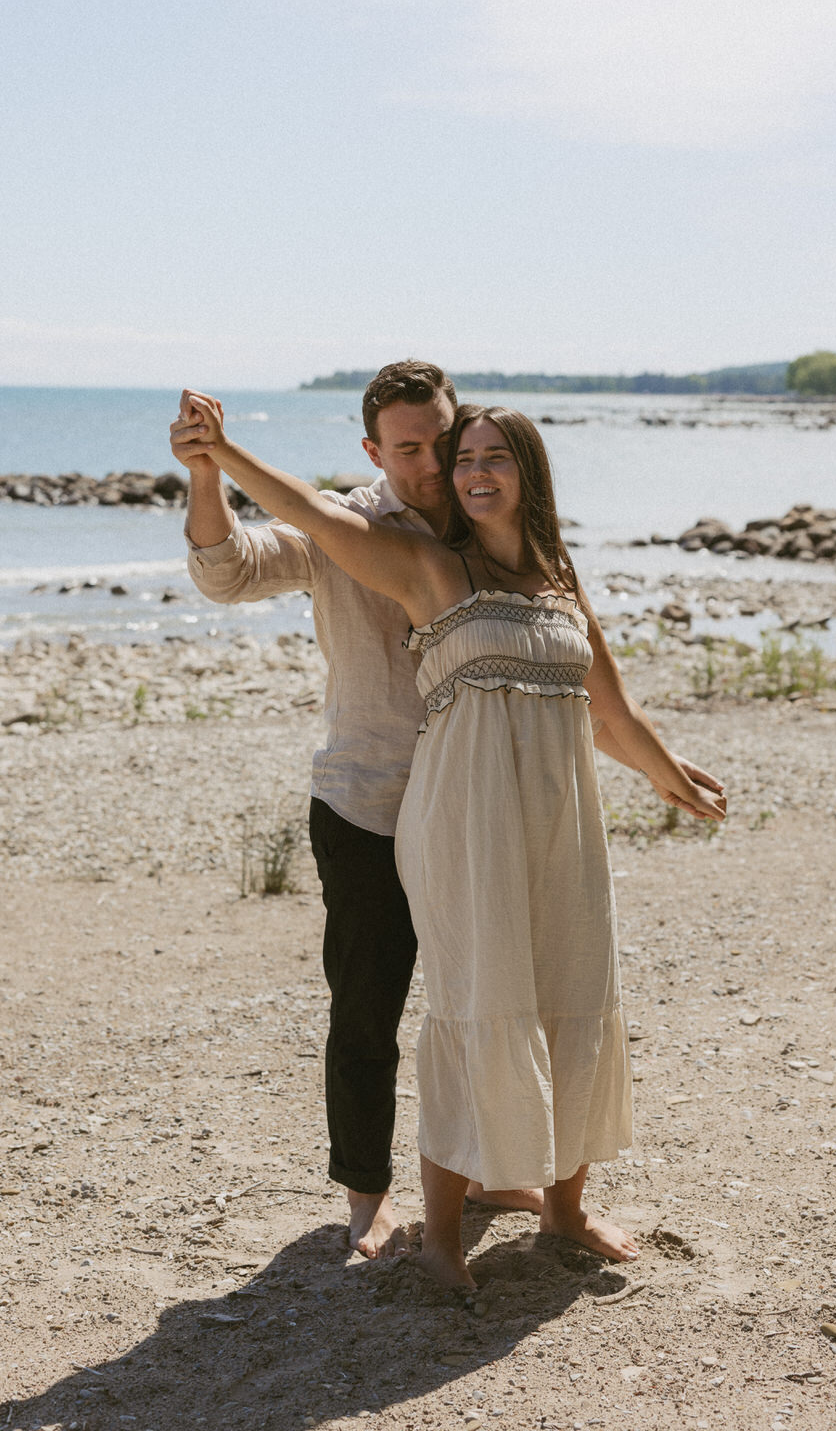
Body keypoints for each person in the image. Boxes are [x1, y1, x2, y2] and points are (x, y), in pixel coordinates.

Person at [174, 391, 727, 1287]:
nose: (461, 471)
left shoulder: (553, 571)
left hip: (553, 817)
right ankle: (409, 1220)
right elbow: (286, 529)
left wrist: (667, 770)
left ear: (526, 472)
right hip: (430, 811)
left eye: (484, 457)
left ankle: (561, 1204)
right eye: (451, 458)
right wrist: (220, 458)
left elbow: (606, 704)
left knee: (570, 989)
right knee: (452, 1003)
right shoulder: (424, 562)